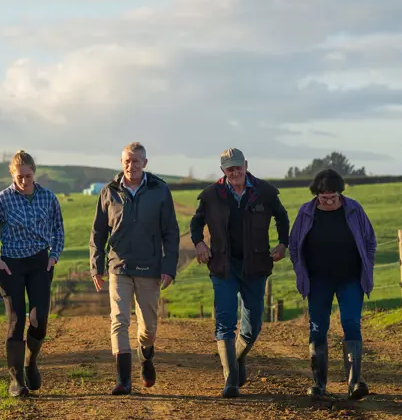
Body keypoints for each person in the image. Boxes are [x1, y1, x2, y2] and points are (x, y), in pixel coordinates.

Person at [190, 148, 290, 398]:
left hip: (255, 264)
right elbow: (196, 223)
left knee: (254, 324)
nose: (235, 172)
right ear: (223, 170)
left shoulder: (265, 192)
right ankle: (231, 380)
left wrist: (283, 243)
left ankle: (237, 357)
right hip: (223, 265)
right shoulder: (212, 195)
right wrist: (199, 243)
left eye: (238, 167)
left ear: (246, 165)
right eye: (230, 169)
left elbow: (282, 217)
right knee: (224, 321)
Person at [89, 142, 180, 395]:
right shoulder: (109, 191)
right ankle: (123, 380)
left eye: (136, 161)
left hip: (150, 267)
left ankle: (146, 354)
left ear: (145, 163)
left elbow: (171, 231)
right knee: (119, 320)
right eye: (127, 161)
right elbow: (98, 231)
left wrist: (168, 267)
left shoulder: (160, 190)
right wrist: (96, 265)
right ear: (122, 163)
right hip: (119, 265)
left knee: (148, 328)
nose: (131, 166)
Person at [0, 150, 65, 398]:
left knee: (39, 322)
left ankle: (31, 362)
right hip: (11, 266)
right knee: (16, 321)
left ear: (34, 173)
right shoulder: (1, 200)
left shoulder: (48, 198)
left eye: (27, 176)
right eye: (19, 177)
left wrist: (54, 255)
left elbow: (58, 229)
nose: (24, 181)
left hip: (40, 263)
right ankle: (16, 380)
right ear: (12, 174)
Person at [288, 168, 376, 400]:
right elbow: (295, 245)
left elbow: (369, 241)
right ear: (316, 194)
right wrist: (300, 270)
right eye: (323, 196)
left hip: (351, 278)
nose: (327, 200)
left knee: (351, 324)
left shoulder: (355, 210)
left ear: (340, 193)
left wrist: (368, 265)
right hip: (318, 280)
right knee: (318, 328)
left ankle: (354, 383)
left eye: (332, 196)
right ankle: (318, 384)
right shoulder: (306, 213)